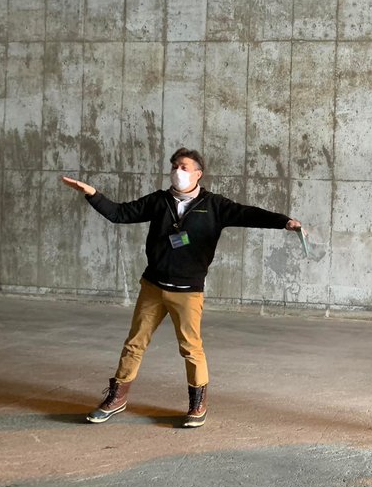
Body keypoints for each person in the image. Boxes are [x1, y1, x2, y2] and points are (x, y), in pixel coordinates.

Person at [62, 148, 302, 428]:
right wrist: (92, 193)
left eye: (184, 167)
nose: (178, 171)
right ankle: (117, 398)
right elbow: (119, 213)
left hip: (187, 291)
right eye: (175, 166)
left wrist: (284, 221)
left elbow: (250, 214)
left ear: (198, 173)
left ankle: (198, 403)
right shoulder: (159, 201)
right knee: (134, 343)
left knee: (191, 348)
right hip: (153, 287)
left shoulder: (214, 206)